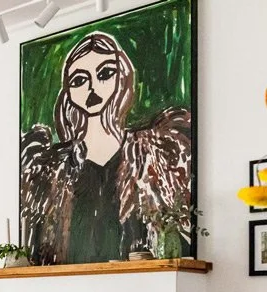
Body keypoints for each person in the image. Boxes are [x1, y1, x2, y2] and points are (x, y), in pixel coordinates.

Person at [20, 31, 191, 265]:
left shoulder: (148, 152)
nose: (92, 87)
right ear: (68, 92)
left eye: (104, 73)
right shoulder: (53, 167)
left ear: (121, 78)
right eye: (79, 80)